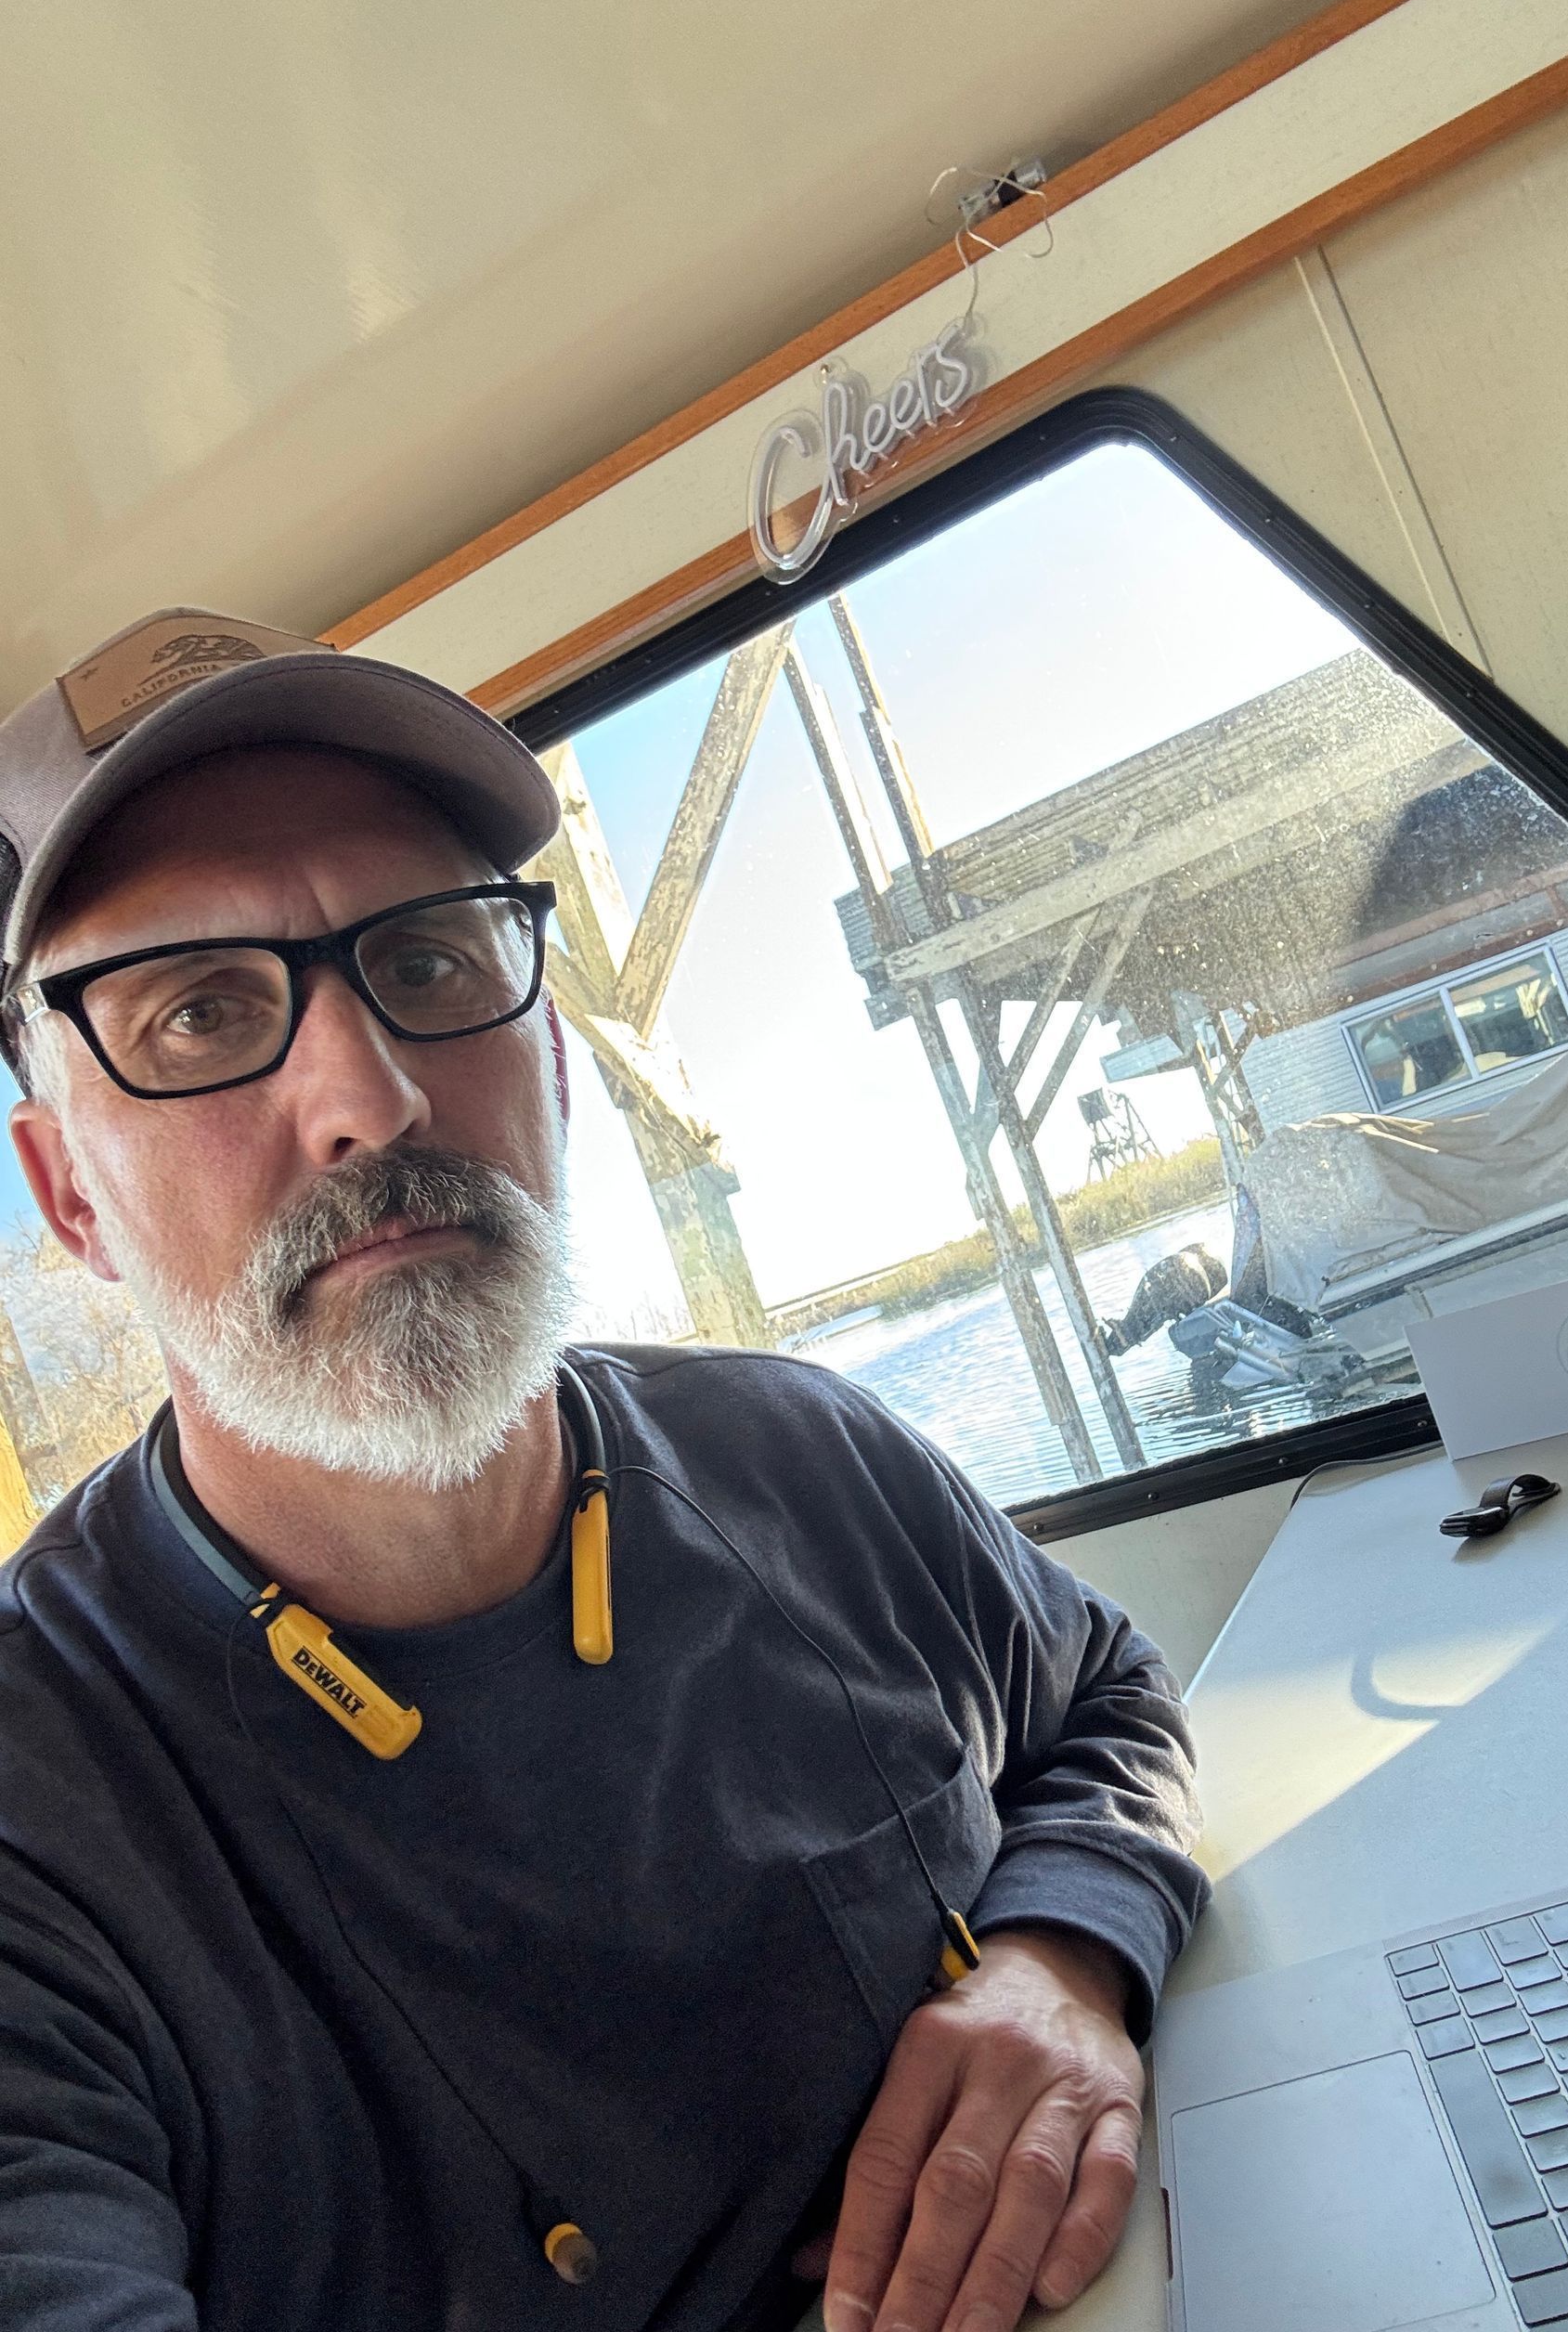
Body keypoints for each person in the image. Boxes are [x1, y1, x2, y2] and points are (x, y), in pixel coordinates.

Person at [0, 611, 1207, 2332]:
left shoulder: (803, 1452)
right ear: (68, 1201)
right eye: (200, 1012)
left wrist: (1061, 1958)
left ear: (551, 1062)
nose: (370, 1096)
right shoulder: (41, 1822)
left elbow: (1106, 1690)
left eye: (424, 962)